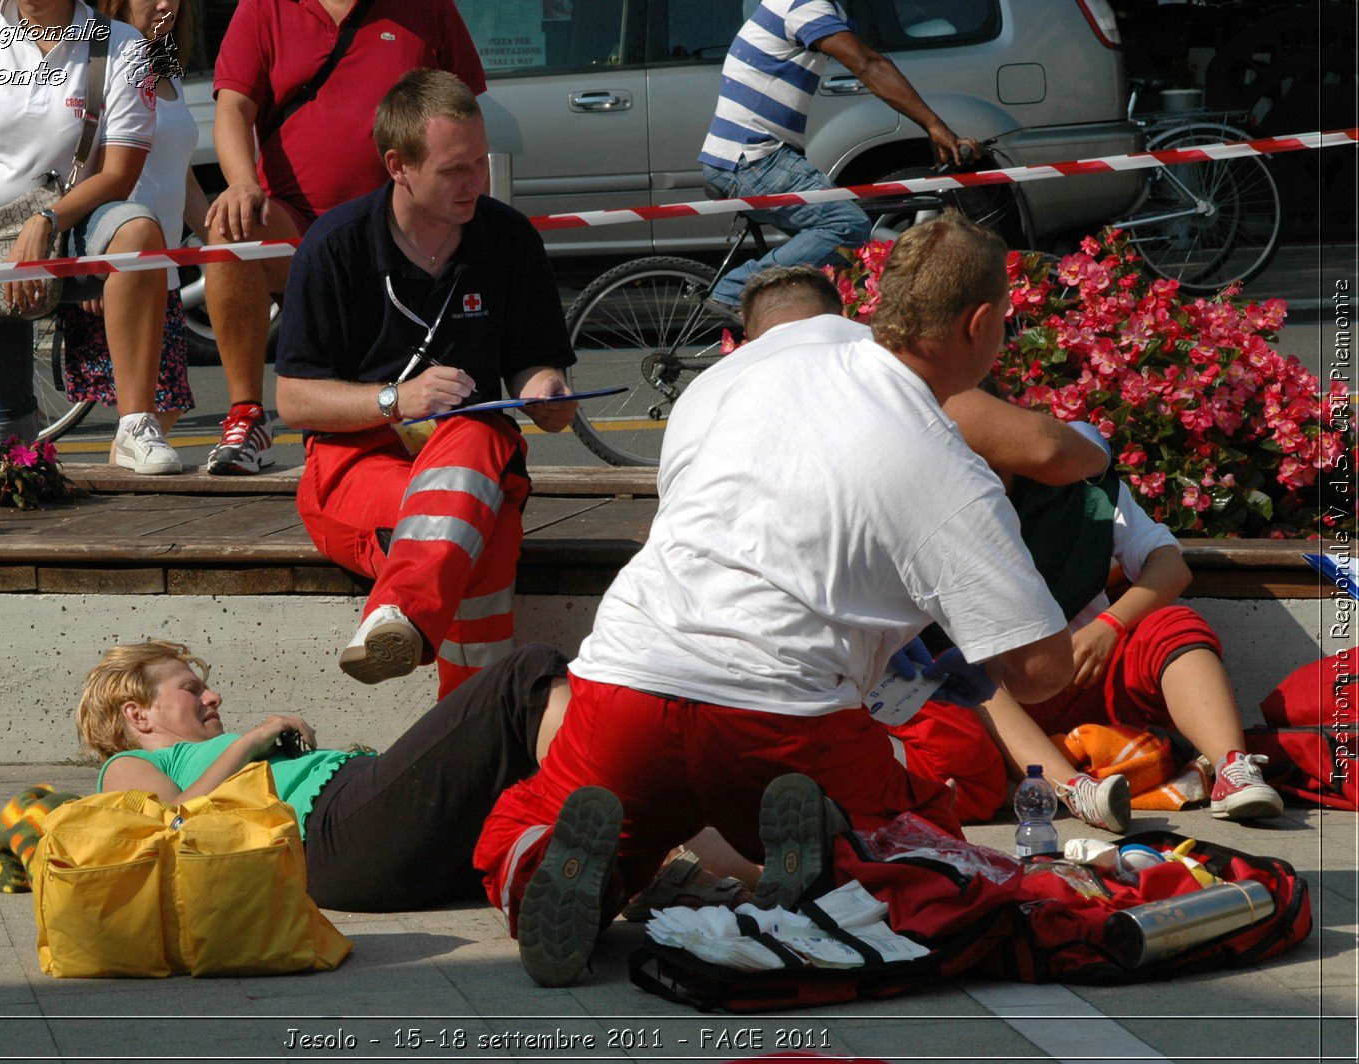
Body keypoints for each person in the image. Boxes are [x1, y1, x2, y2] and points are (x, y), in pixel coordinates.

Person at [473, 212, 1074, 988]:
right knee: (929, 837)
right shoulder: (939, 457)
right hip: (784, 719)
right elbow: (1039, 669)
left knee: (533, 817)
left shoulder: (734, 374)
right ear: (981, 322)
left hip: (627, 677)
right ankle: (832, 873)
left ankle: (539, 866)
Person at [276, 70, 576, 698]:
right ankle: (479, 724)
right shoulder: (334, 246)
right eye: (453, 170)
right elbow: (293, 399)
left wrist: (547, 389)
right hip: (357, 466)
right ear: (399, 167)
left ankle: (400, 618)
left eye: (480, 164)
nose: (475, 183)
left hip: (469, 459)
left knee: (472, 431)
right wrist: (396, 401)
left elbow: (533, 364)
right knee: (481, 528)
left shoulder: (508, 238)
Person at [896, 458, 1286, 828]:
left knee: (1172, 623)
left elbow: (1170, 564)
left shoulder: (1079, 487)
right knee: (967, 676)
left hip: (1092, 671)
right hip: (1005, 711)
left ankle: (1233, 769)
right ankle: (1077, 792)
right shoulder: (920, 504)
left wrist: (1109, 626)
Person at [200, 0, 485, 476]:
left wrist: (476, 219)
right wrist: (242, 182)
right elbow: (233, 106)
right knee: (229, 228)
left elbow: (468, 113)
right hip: (297, 225)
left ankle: (423, 416)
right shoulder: (263, 7)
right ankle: (247, 415)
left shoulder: (428, 7)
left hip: (401, 229)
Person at [83, 639, 574, 912]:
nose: (213, 698)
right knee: (521, 677)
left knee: (534, 805)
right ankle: (622, 831)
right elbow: (170, 822)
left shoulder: (211, 750)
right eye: (192, 689)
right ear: (137, 715)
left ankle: (599, 881)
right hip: (332, 835)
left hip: (358, 828)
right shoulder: (130, 765)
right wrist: (253, 740)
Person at [0, 0, 179, 472]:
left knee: (138, 229)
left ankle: (136, 425)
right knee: (1, 446)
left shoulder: (126, 47)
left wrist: (45, 222)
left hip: (67, 228)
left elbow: (119, 175)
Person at [700, 0, 980, 312]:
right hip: (753, 158)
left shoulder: (823, 9)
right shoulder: (803, 6)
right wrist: (934, 125)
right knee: (846, 225)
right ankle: (738, 289)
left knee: (840, 267)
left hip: (752, 156)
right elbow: (869, 65)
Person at [57, 0, 209, 460]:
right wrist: (96, 262)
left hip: (161, 271)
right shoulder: (106, 61)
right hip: (120, 266)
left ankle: (123, 508)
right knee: (147, 416)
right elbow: (91, 168)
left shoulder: (164, 64)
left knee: (163, 412)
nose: (167, 3)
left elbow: (178, 169)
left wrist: (215, 236)